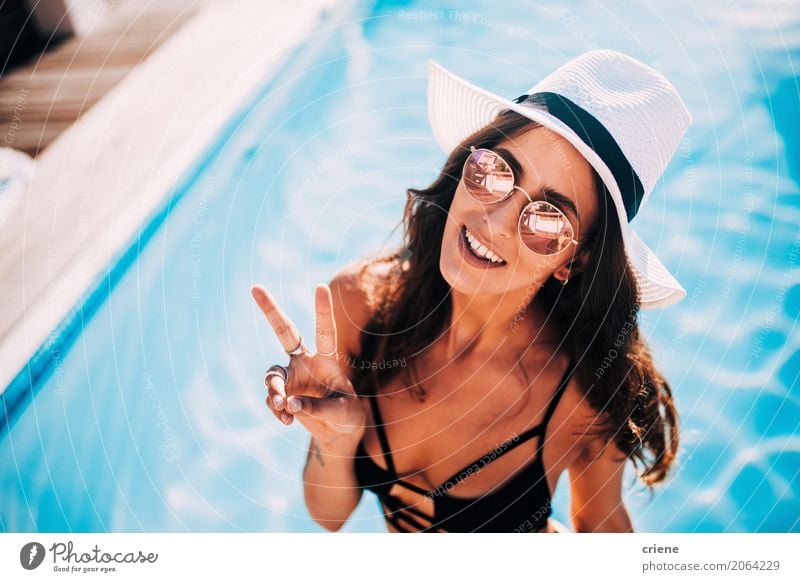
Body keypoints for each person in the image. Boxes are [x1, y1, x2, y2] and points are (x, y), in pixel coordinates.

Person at [251, 49, 692, 533]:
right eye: (497, 171)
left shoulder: (581, 389)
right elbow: (329, 515)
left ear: (578, 258)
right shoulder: (359, 306)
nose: (495, 221)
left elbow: (599, 526)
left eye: (548, 218)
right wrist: (334, 444)